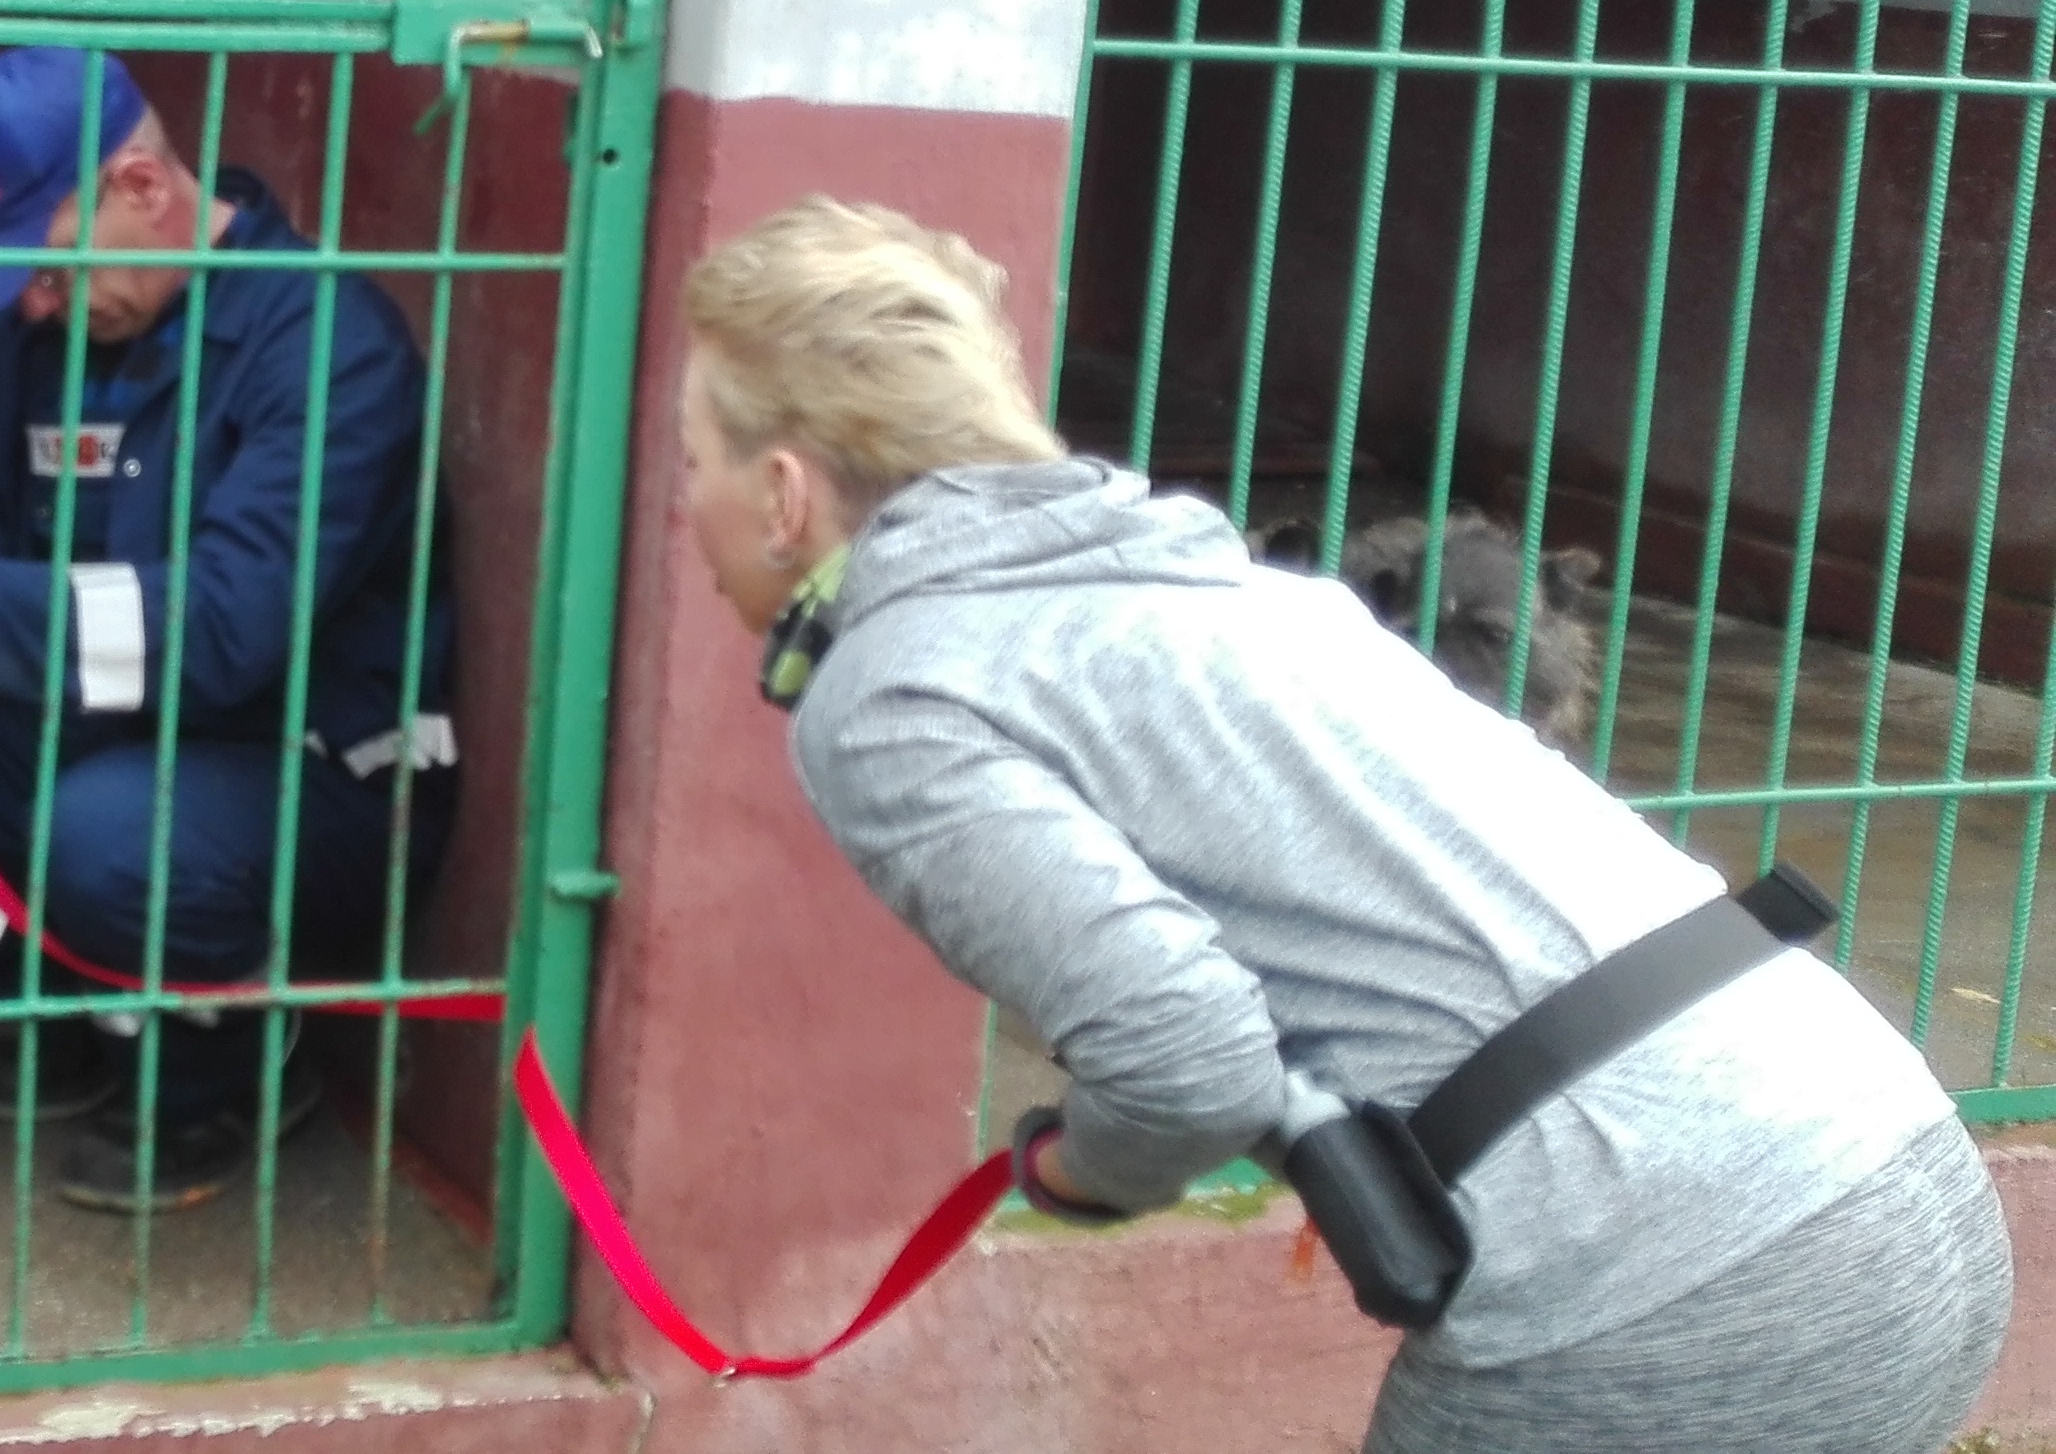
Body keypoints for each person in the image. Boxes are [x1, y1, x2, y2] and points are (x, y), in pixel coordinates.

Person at [673, 196, 2007, 1453]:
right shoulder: (1216, 582)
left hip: (1678, 1280)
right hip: (1887, 1156)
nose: (687, 503)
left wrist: (1082, 1171)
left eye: (694, 463)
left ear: (784, 494)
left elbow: (1183, 1061)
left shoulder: (900, 689)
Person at [0, 47, 457, 1212]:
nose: (32, 303)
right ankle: (56, 999)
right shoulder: (43, 332)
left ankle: (219, 1074)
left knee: (107, 833)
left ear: (140, 186)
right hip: (81, 727)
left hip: (293, 762)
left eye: (47, 266)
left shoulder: (327, 343)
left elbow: (229, 628)